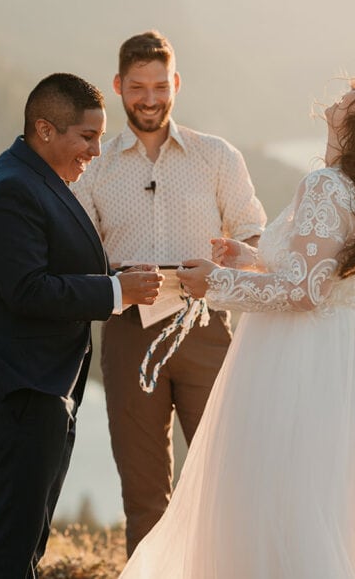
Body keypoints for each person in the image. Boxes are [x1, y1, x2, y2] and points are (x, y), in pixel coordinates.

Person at [121, 73, 355, 577]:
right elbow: (319, 270)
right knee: (334, 504)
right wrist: (252, 258)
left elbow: (303, 292)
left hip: (296, 359)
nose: (346, 91)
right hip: (348, 358)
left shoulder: (327, 185)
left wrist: (214, 283)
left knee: (277, 500)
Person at [0, 73, 163, 578]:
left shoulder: (36, 176)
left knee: (27, 543)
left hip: (38, 385)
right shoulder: (13, 189)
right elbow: (27, 290)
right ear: (44, 129)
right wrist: (115, 294)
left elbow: (51, 268)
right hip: (12, 386)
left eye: (100, 137)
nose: (95, 150)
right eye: (86, 137)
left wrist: (114, 278)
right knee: (10, 546)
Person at [71, 30, 267, 555]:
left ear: (176, 83)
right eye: (138, 87)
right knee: (144, 493)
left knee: (225, 481)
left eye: (160, 85)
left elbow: (255, 235)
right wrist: (115, 277)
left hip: (207, 331)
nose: (151, 98)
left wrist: (227, 259)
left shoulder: (217, 156)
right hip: (128, 333)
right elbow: (75, 257)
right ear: (118, 86)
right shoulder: (96, 169)